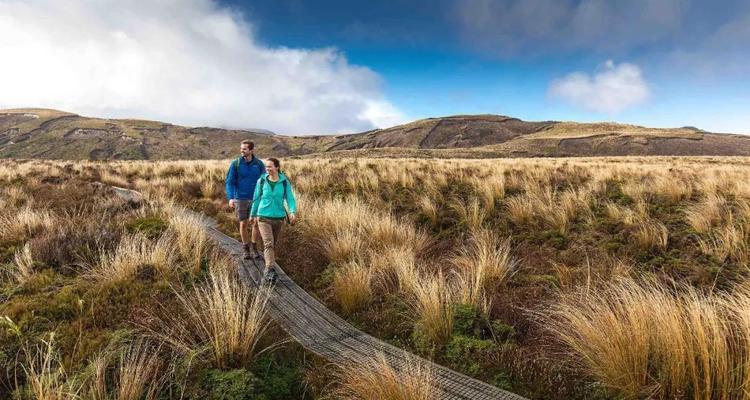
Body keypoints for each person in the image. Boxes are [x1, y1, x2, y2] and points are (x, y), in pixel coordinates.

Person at [250, 157, 297, 284]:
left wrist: (292, 211)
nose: (267, 169)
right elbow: (256, 198)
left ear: (277, 167)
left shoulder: (284, 182)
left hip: (278, 217)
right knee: (268, 243)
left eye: (270, 166)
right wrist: (252, 214)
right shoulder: (262, 181)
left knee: (272, 244)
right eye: (266, 167)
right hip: (263, 216)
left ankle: (269, 266)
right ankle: (269, 270)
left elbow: (290, 198)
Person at [225, 140, 265, 260]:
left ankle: (254, 247)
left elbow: (264, 181)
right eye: (241, 148)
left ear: (252, 150)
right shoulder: (236, 164)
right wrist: (231, 197)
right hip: (240, 198)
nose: (242, 151)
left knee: (256, 223)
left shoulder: (259, 164)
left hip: (256, 198)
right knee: (243, 224)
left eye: (245, 149)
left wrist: (264, 196)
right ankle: (246, 248)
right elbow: (229, 182)